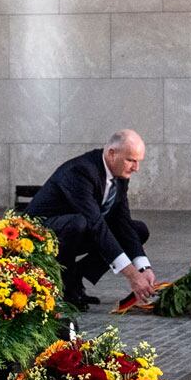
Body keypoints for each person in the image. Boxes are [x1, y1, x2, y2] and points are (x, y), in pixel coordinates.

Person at [25, 130, 156, 310]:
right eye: (131, 160)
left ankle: (77, 276)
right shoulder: (82, 171)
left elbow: (123, 222)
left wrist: (143, 268)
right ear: (111, 153)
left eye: (138, 161)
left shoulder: (120, 174)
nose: (136, 168)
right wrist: (132, 275)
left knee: (138, 230)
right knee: (79, 223)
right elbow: (95, 224)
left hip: (80, 228)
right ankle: (66, 285)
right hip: (41, 233)